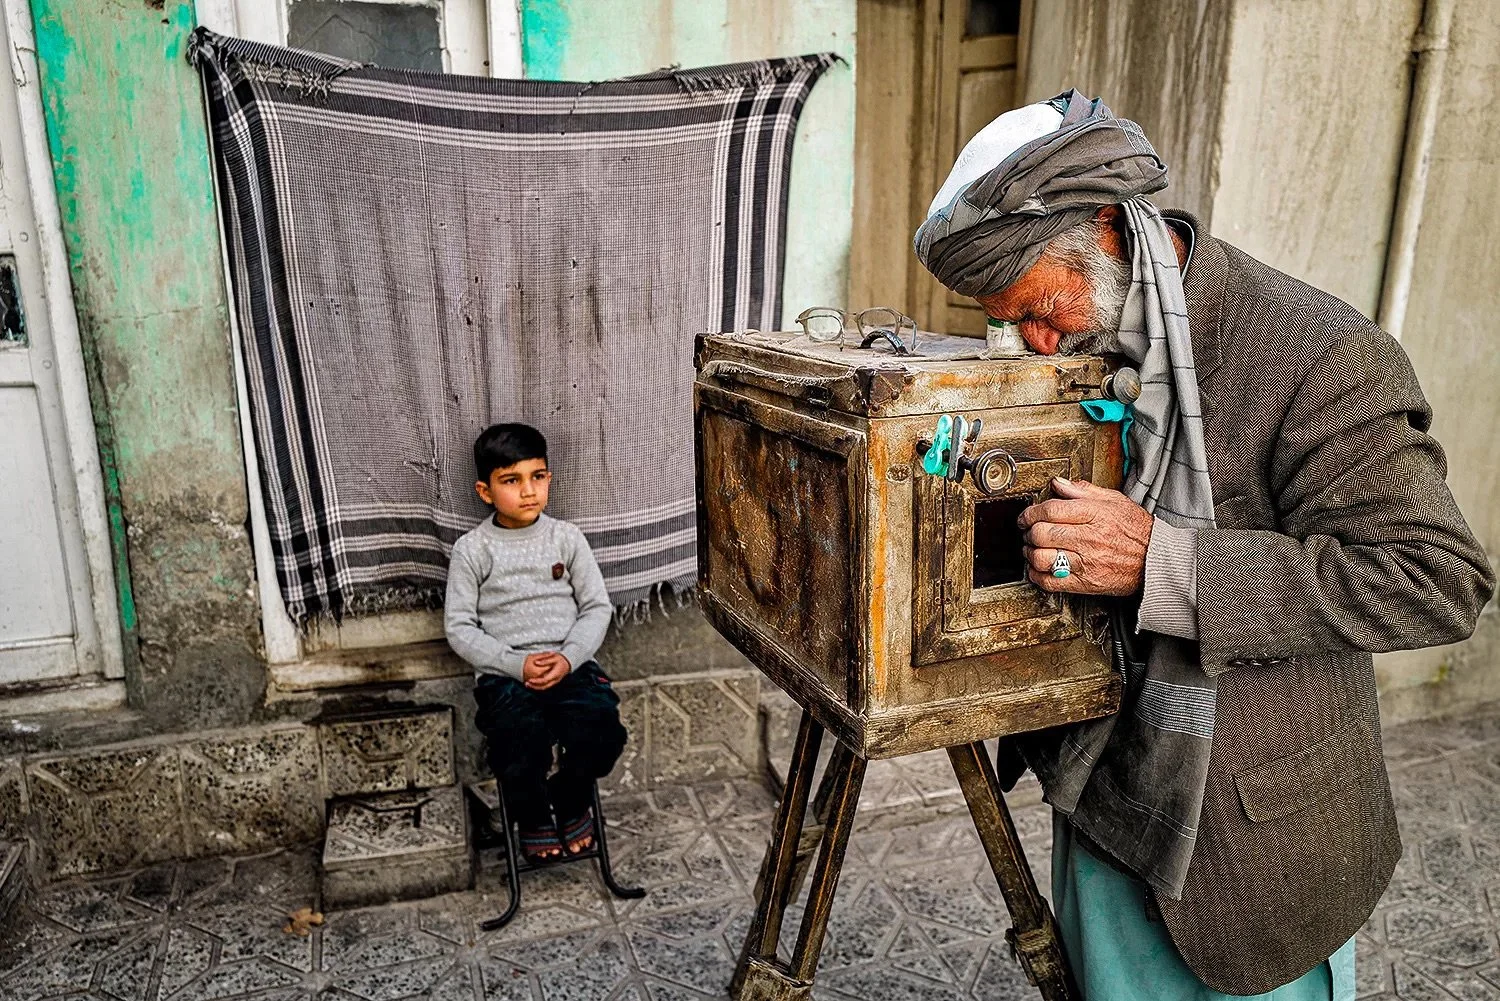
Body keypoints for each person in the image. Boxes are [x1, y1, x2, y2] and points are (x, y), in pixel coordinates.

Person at [914, 91, 1494, 999]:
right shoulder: (1080, 343)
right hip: (1106, 795)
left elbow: (1436, 578)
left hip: (1255, 839)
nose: (1030, 343)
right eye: (1005, 319)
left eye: (1039, 309)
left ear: (1109, 228)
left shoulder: (1319, 354)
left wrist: (1161, 563)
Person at [444, 423, 626, 863]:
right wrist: (515, 665)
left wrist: (567, 659)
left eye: (537, 476)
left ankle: (569, 799)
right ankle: (533, 817)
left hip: (571, 667)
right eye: (511, 480)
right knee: (515, 743)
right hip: (507, 676)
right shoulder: (473, 550)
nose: (529, 491)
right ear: (485, 491)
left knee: (603, 732)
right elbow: (459, 628)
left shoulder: (566, 539)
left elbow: (597, 608)